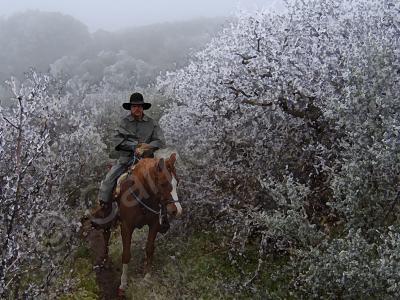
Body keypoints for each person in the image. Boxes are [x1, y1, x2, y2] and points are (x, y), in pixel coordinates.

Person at [92, 92, 165, 222]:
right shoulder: (124, 123)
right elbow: (117, 141)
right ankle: (104, 206)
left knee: (166, 180)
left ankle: (164, 214)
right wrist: (134, 147)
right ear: (130, 108)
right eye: (134, 106)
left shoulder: (152, 123)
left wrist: (146, 147)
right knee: (109, 179)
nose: (137, 109)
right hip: (126, 160)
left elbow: (160, 141)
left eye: (139, 106)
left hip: (147, 161)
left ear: (143, 107)